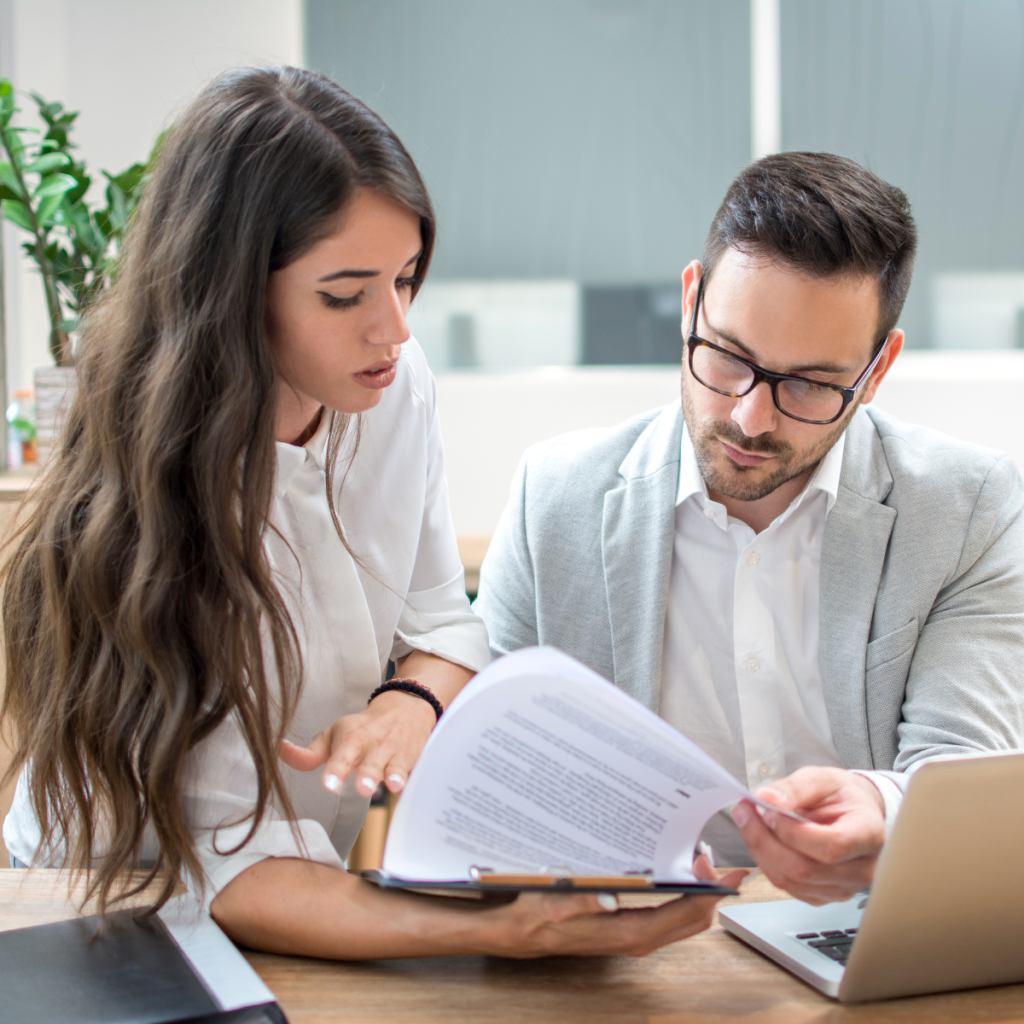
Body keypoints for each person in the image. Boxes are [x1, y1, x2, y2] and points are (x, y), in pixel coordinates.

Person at [0, 67, 744, 958]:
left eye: (408, 277)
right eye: (344, 294)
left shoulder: (389, 389)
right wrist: (505, 934)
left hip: (296, 888)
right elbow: (220, 863)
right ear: (230, 294)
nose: (393, 328)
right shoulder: (155, 503)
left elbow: (440, 616)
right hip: (98, 901)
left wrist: (409, 701)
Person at [474, 152, 1024, 904]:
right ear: (692, 299)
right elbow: (487, 762)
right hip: (620, 952)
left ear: (877, 370)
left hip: (861, 933)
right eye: (729, 357)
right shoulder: (555, 498)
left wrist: (888, 810)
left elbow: (963, 771)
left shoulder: (969, 510)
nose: (748, 417)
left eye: (810, 383)